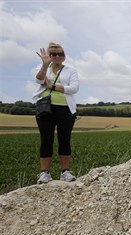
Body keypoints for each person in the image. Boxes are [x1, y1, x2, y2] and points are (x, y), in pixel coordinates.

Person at [33, 42, 80, 184]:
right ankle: (44, 173)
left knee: (64, 140)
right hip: (45, 108)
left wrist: (51, 86)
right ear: (49, 55)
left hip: (65, 109)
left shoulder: (71, 70)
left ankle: (65, 172)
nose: (57, 56)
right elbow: (38, 79)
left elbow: (74, 88)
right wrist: (45, 64)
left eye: (60, 53)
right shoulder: (42, 67)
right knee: (46, 140)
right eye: (53, 54)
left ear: (63, 55)